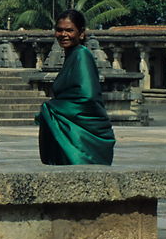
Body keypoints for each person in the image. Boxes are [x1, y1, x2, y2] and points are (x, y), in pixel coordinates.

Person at [35, 9, 116, 165]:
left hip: (82, 135)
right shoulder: (71, 55)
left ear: (81, 33)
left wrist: (51, 108)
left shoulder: (81, 55)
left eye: (69, 30)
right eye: (59, 30)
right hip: (72, 129)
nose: (63, 34)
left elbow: (87, 96)